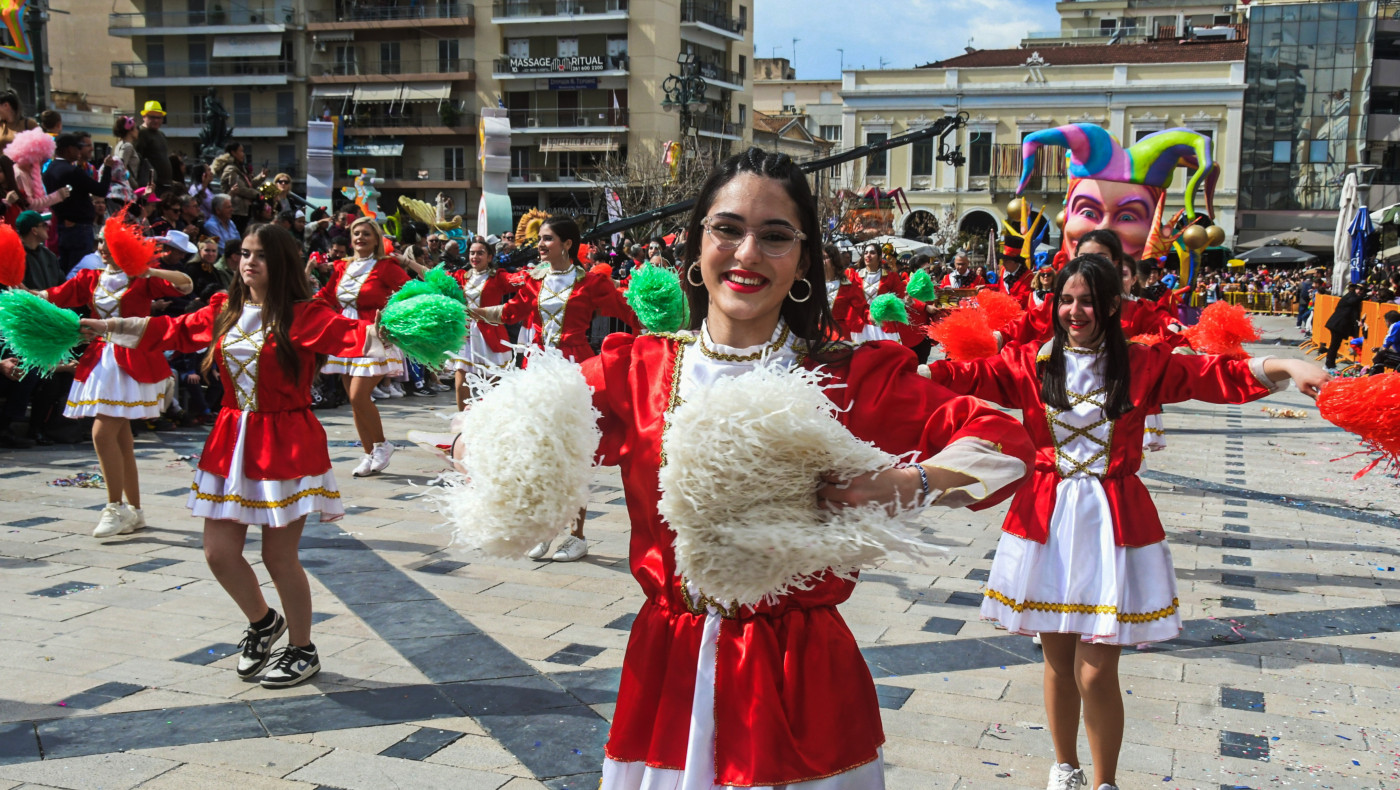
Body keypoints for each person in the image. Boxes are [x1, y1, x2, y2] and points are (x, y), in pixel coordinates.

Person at [447, 148, 1034, 788]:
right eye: (727, 229)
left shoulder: (846, 377)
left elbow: (1004, 439)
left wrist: (907, 482)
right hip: (667, 672)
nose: (748, 254)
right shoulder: (637, 369)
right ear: (698, 244)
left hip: (801, 677)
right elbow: (525, 432)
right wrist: (477, 446)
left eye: (775, 236)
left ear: (805, 260)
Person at [926, 254, 1327, 790]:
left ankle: (1105, 782)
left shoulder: (1144, 363)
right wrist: (898, 371)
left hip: (1113, 523)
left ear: (1112, 305)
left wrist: (1288, 365)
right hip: (1045, 520)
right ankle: (1064, 767)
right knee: (1057, 662)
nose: (1075, 311)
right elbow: (958, 375)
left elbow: (1218, 376)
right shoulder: (1028, 361)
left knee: (1097, 669)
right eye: (1065, 300)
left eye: (1087, 300)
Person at [79, 224, 396, 689]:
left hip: (287, 439)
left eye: (262, 256)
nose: (250, 262)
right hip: (230, 438)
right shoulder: (223, 310)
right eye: (245, 253)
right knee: (218, 553)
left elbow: (360, 336)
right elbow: (172, 330)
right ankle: (264, 622)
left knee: (278, 556)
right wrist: (102, 325)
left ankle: (303, 649)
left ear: (282, 263)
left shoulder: (306, 315)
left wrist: (408, 324)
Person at [468, 215, 638, 562]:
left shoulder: (591, 282)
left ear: (567, 244)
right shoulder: (534, 280)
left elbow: (627, 310)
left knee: (574, 453)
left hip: (577, 369)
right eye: (541, 239)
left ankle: (576, 536)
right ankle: (546, 530)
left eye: (547, 239)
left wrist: (660, 322)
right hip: (539, 368)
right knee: (540, 451)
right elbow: (510, 312)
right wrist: (473, 311)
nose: (541, 245)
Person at [40, 236, 194, 538]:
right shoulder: (91, 277)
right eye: (99, 241)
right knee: (121, 437)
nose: (101, 248)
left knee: (102, 432)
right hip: (102, 358)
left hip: (132, 355)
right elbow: (55, 295)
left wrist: (152, 272)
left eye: (108, 244)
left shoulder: (141, 278)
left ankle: (115, 506)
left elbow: (186, 284)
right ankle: (134, 511)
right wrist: (23, 295)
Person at [316, 217, 411, 476]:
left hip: (374, 337)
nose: (360, 238)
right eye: (356, 233)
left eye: (366, 234)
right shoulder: (340, 267)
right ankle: (369, 453)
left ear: (376, 239)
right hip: (345, 337)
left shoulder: (386, 266)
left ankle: (382, 445)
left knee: (359, 395)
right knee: (355, 401)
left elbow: (410, 294)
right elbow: (325, 296)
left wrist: (392, 320)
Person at [441, 238, 514, 409]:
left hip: (490, 334)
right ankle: (461, 424)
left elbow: (522, 283)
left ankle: (489, 424)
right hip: (465, 334)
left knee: (491, 388)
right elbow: (434, 278)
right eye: (472, 253)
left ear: (489, 257)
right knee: (461, 385)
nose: (475, 256)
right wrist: (407, 261)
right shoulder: (461, 276)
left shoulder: (499, 277)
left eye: (480, 253)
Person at [43, 133, 116, 274]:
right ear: (68, 149)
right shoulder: (72, 171)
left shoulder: (49, 170)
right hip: (79, 230)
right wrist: (107, 168)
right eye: (77, 148)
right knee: (79, 273)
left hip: (62, 226)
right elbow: (100, 190)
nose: (79, 152)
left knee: (65, 269)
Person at [211, 143, 268, 234]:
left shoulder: (239, 168)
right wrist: (257, 194)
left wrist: (261, 177)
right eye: (241, 151)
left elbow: (248, 185)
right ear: (233, 153)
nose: (243, 154)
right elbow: (240, 189)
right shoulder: (231, 169)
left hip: (244, 210)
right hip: (237, 210)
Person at [822, 242, 868, 340]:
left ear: (834, 261)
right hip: (815, 334)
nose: (821, 261)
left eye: (824, 258)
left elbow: (864, 310)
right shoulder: (812, 284)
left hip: (839, 335)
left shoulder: (847, 286)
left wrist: (878, 315)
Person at [1325, 281, 1366, 371]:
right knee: (1334, 345)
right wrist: (1364, 296)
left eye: (1362, 290)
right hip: (1337, 324)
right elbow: (1353, 301)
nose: (1360, 291)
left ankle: (1330, 364)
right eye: (1359, 289)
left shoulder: (1353, 296)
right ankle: (1329, 365)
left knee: (1335, 345)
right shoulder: (1351, 296)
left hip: (1339, 325)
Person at [16, 210, 62, 290]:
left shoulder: (49, 255)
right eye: (44, 225)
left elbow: (62, 285)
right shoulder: (17, 259)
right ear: (34, 230)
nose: (48, 227)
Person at [134, 101, 172, 189]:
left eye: (159, 117)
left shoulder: (161, 134)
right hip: (153, 185)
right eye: (152, 117)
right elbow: (137, 159)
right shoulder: (141, 133)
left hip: (165, 184)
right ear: (144, 117)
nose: (156, 120)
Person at [107, 116, 139, 209]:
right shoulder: (127, 146)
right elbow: (121, 168)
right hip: (129, 190)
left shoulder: (119, 145)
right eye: (136, 128)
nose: (137, 130)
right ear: (130, 130)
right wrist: (135, 185)